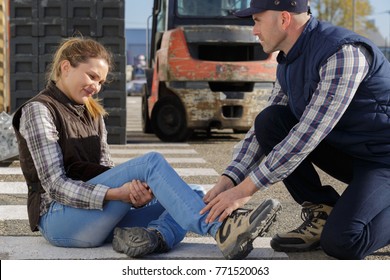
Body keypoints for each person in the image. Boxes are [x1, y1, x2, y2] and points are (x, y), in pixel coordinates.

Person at [12, 37, 281, 260]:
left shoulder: (93, 114)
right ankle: (222, 230)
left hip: (96, 216)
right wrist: (118, 193)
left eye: (101, 82)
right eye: (92, 76)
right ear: (65, 67)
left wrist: (137, 194)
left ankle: (155, 237)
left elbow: (105, 170)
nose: (95, 86)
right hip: (59, 220)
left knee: (196, 194)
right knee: (150, 163)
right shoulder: (39, 110)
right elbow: (56, 185)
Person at [199, 0, 390, 260]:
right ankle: (323, 210)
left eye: (256, 20)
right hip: (355, 153)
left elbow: (307, 135)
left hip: (383, 160)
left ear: (284, 19)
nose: (253, 30)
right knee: (270, 121)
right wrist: (228, 180)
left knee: (344, 241)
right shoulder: (288, 62)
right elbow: (262, 133)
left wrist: (243, 192)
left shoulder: (342, 54)